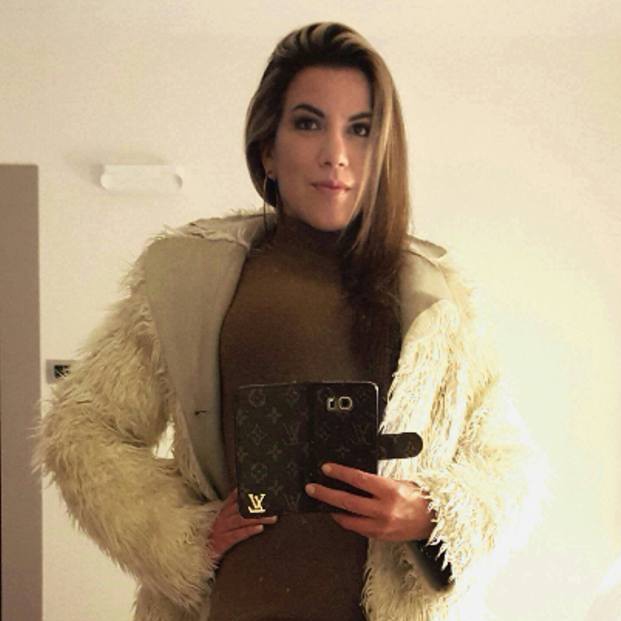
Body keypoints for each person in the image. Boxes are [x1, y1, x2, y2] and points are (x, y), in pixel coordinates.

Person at [34, 21, 544, 621]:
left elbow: (508, 465)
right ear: (268, 150)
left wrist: (427, 512)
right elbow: (82, 427)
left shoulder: (434, 297)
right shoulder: (189, 282)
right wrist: (183, 535)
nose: (336, 153)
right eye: (308, 123)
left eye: (360, 129)